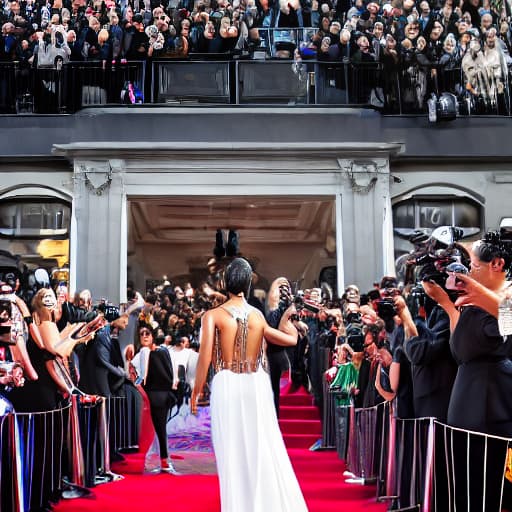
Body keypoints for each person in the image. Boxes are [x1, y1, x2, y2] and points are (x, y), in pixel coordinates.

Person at [191, 258, 307, 512]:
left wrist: (197, 390)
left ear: (224, 283)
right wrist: (287, 320)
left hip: (227, 382)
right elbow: (291, 339)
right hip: (257, 384)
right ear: (248, 282)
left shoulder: (213, 316)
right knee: (261, 448)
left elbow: (205, 357)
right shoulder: (257, 316)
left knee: (231, 454)